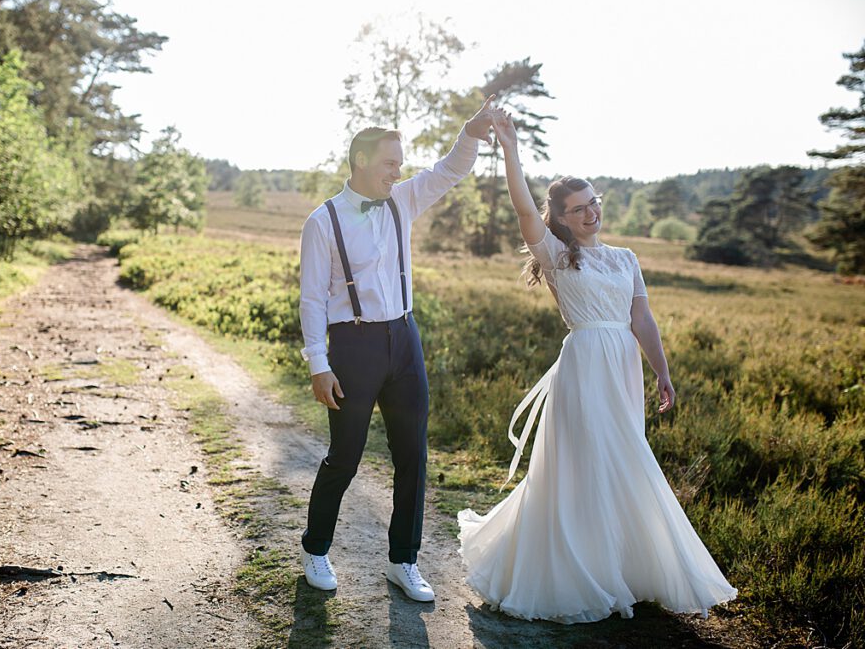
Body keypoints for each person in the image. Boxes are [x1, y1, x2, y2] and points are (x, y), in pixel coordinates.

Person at [457, 108, 737, 623]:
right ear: (561, 217)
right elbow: (523, 209)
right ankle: (576, 569)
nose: (590, 214)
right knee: (583, 463)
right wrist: (511, 151)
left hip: (624, 369)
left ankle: (625, 568)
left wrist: (663, 372)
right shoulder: (558, 257)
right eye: (578, 208)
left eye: (594, 204)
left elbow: (643, 320)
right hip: (584, 366)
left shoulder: (626, 258)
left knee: (624, 461)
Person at [298, 96, 496, 601]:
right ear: (362, 159)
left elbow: (449, 171)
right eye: (390, 162)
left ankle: (402, 561)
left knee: (413, 456)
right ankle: (316, 549)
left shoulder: (403, 200)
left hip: (405, 340)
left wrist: (470, 133)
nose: (398, 171)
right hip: (354, 345)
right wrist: (319, 365)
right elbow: (312, 299)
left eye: (400, 163)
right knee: (345, 456)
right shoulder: (323, 222)